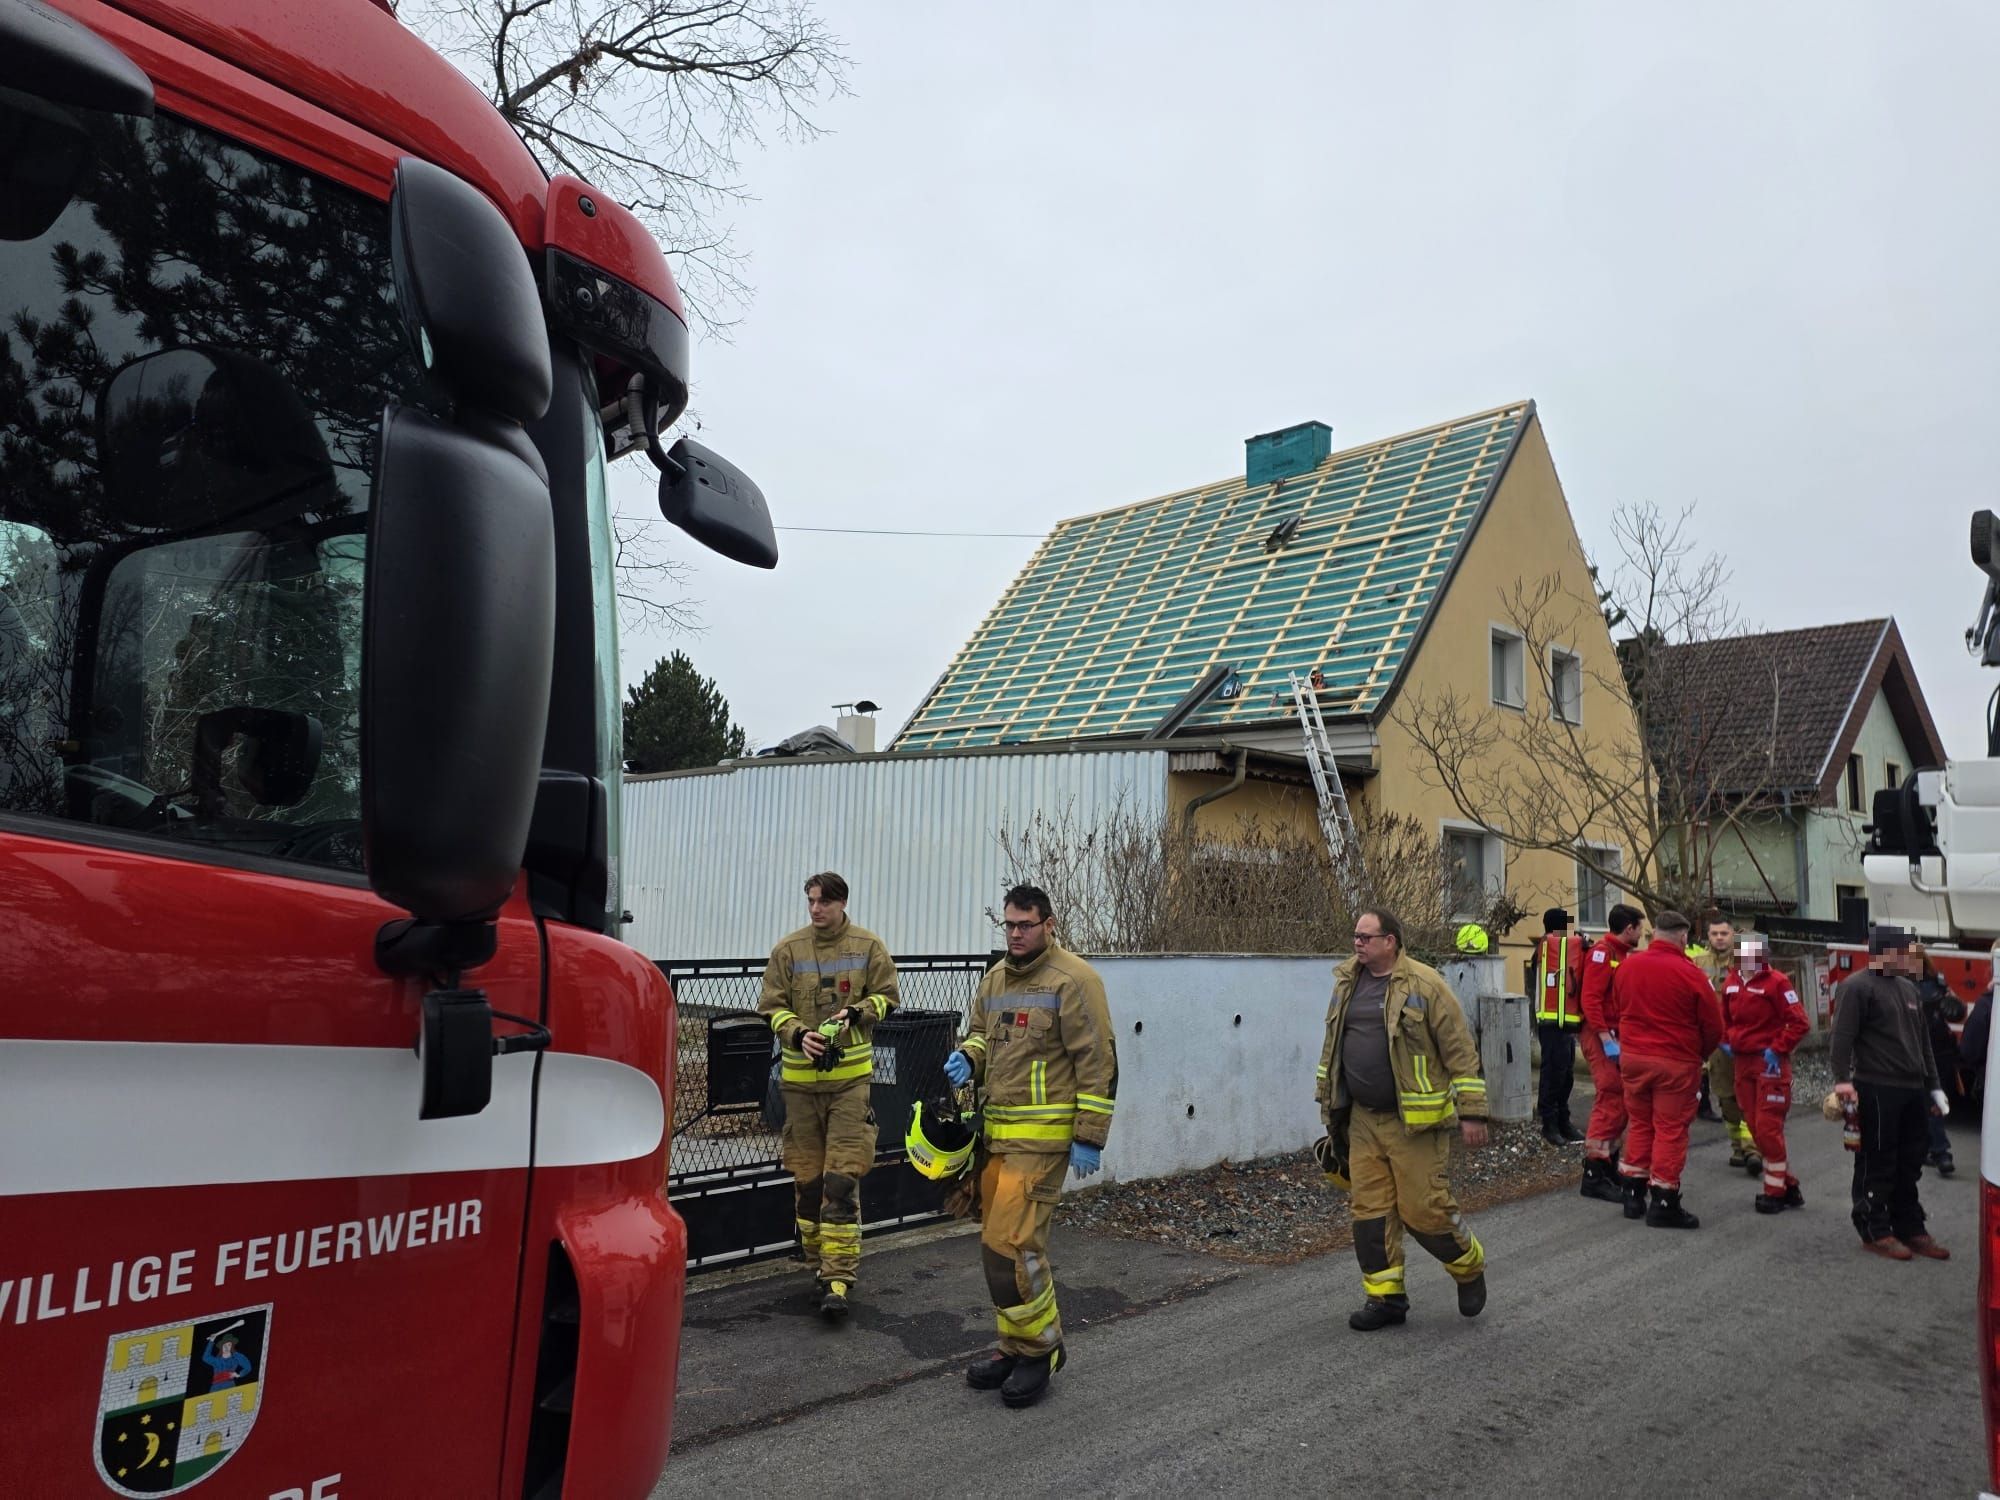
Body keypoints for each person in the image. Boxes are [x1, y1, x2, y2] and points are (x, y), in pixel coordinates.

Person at [942, 883, 1117, 1408]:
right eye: (1009, 925)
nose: (1015, 934)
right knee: (997, 1250)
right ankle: (1015, 1347)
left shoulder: (1075, 980)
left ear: (1049, 924)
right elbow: (980, 1034)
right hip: (998, 1139)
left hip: (1042, 1146)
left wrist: (1088, 1137)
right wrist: (969, 1058)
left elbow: (1098, 1062)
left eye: (1025, 925)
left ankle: (1041, 1352)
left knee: (1013, 1247)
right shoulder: (995, 977)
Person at [1316, 906, 1490, 1331]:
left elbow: (1460, 1051)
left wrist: (1472, 1112)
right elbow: (1333, 1046)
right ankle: (1386, 1300)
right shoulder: (1346, 982)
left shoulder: (1426, 985)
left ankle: (1468, 1267)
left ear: (1390, 941)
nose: (1357, 943)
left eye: (1366, 937)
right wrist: (1329, 1105)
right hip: (1362, 1120)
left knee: (1424, 1212)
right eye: (1356, 936)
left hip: (1415, 1124)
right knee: (1370, 1214)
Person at [757, 871, 900, 1319]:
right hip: (800, 1088)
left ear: (842, 903)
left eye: (823, 901)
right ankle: (817, 1263)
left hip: (849, 1087)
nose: (816, 909)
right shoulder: (788, 950)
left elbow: (887, 997)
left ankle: (838, 1279)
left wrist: (857, 1012)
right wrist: (798, 1034)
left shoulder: (868, 947)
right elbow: (772, 1007)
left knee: (841, 1179)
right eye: (811, 901)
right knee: (807, 1181)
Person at [1832, 927, 1951, 1261]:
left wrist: (1934, 1086)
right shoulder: (1856, 987)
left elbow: (1923, 1043)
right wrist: (1842, 1081)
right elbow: (1841, 1038)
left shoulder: (1908, 989)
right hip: (1876, 1086)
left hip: (1912, 1088)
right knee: (1878, 1159)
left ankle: (1909, 1225)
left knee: (1910, 1161)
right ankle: (1874, 1228)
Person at [1615, 911, 1724, 1229]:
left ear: (1655, 933)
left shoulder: (1628, 966)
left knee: (1639, 1123)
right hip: (1675, 1062)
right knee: (1669, 1129)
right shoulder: (1691, 974)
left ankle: (1632, 1193)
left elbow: (1619, 1005)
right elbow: (1713, 1026)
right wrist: (1699, 1054)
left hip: (1633, 1058)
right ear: (1683, 936)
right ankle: (1663, 1201)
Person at [1722, 933, 1809, 1215]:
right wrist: (1725, 1040)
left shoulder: (1777, 982)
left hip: (1769, 1063)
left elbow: (1800, 1023)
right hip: (1743, 1062)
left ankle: (1775, 1192)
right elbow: (1724, 1018)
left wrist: (1777, 1049)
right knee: (1754, 1126)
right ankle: (1788, 1184)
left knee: (1768, 1128)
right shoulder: (1731, 981)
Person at [1576, 904, 1644, 1203]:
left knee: (1620, 1098)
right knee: (1610, 1094)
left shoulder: (1620, 954)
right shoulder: (1603, 954)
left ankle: (1607, 1164)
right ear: (1629, 928)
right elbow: (1590, 1000)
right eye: (1640, 928)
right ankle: (1594, 1173)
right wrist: (1605, 1037)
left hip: (1614, 1034)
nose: (1642, 934)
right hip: (1600, 1034)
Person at [1693, 914, 1761, 1176]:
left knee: (1751, 1094)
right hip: (1716, 1042)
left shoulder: (1747, 959)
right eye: (1714, 934)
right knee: (1726, 1096)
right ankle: (1738, 1147)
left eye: (1724, 933)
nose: (1719, 938)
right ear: (1708, 936)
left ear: (1733, 935)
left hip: (1746, 1039)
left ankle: (1753, 1148)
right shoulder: (1698, 963)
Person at [1529, 907, 1587, 1146]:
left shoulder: (1563, 950)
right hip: (1551, 1022)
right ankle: (1549, 1123)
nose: (1569, 930)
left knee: (1566, 1074)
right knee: (1553, 1073)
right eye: (1566, 925)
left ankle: (1563, 1119)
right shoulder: (1545, 949)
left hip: (1564, 1021)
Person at [1914, 953, 1965, 1177]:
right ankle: (1932, 1150)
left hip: (1920, 1052)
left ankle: (1941, 1152)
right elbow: (1957, 1012)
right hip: (1942, 1051)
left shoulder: (1902, 986)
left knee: (1925, 1102)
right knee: (1930, 1102)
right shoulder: (1940, 984)